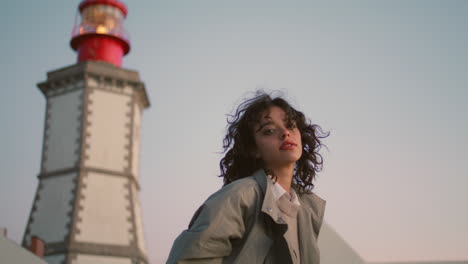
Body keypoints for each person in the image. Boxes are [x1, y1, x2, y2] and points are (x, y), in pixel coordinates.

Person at [167, 91, 329, 264]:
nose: (285, 133)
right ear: (253, 149)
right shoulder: (240, 197)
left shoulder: (307, 210)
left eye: (290, 125)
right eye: (269, 130)